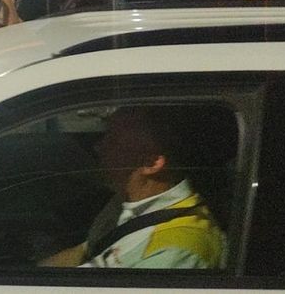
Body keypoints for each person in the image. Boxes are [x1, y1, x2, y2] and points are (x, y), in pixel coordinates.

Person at [41, 107, 225, 269]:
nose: (98, 147)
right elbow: (85, 251)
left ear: (151, 162)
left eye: (113, 142)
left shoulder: (178, 250)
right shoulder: (126, 201)